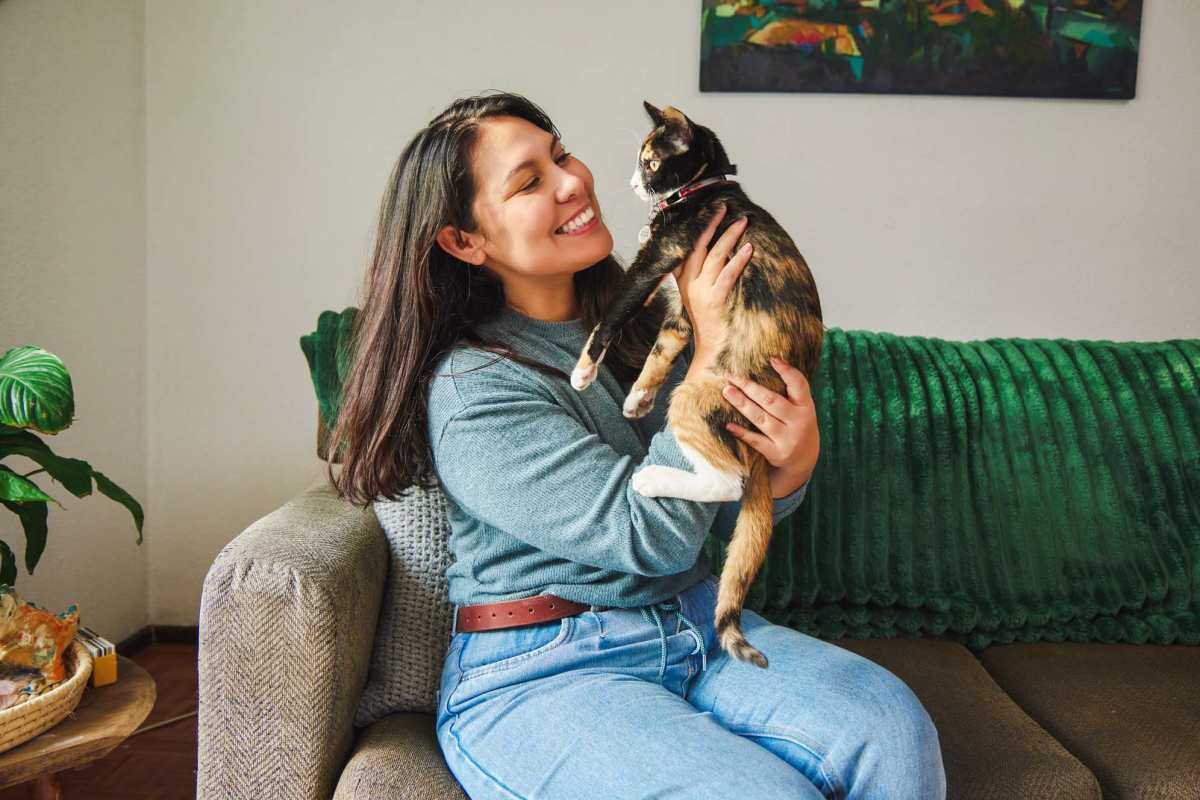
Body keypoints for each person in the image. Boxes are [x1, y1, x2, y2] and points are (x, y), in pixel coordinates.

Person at [329, 91, 946, 800]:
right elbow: (653, 537)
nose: (572, 181)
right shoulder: (475, 388)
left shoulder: (652, 327)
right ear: (465, 242)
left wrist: (787, 469)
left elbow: (715, 515)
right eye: (529, 182)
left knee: (890, 726)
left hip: (698, 623)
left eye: (561, 154)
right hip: (547, 668)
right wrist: (712, 350)